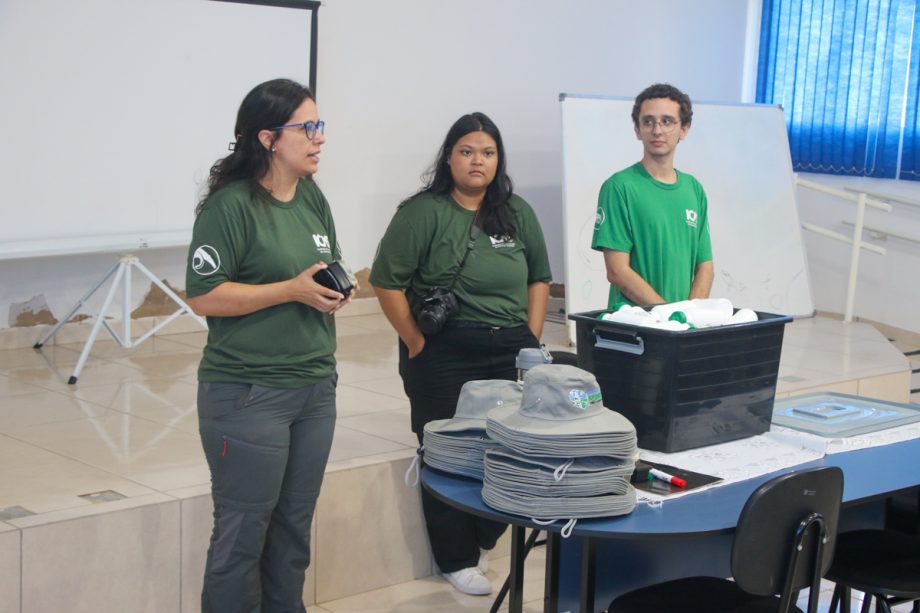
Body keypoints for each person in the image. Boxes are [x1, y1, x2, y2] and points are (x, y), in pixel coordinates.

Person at [185, 78, 352, 613]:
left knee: (293, 529)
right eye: (307, 127)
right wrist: (291, 290)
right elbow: (205, 297)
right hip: (248, 393)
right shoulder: (230, 208)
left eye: (319, 126)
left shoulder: (312, 198)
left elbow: (323, 268)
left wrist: (328, 292)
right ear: (267, 137)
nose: (319, 138)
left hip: (314, 389)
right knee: (242, 533)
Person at [369, 112, 552, 596]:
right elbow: (385, 282)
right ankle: (455, 557)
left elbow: (539, 277)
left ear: (499, 161)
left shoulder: (516, 212)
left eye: (488, 153)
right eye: (467, 151)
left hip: (510, 346)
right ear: (448, 157)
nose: (478, 161)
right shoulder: (422, 212)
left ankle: (485, 534)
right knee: (448, 449)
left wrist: (530, 337)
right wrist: (414, 340)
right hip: (445, 348)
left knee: (510, 445)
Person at [592, 83, 713, 308]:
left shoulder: (694, 189)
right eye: (648, 121)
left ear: (684, 129)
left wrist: (690, 315)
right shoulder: (619, 187)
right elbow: (617, 271)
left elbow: (705, 266)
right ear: (637, 130)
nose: (657, 130)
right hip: (634, 327)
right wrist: (667, 316)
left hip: (680, 326)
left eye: (667, 121)